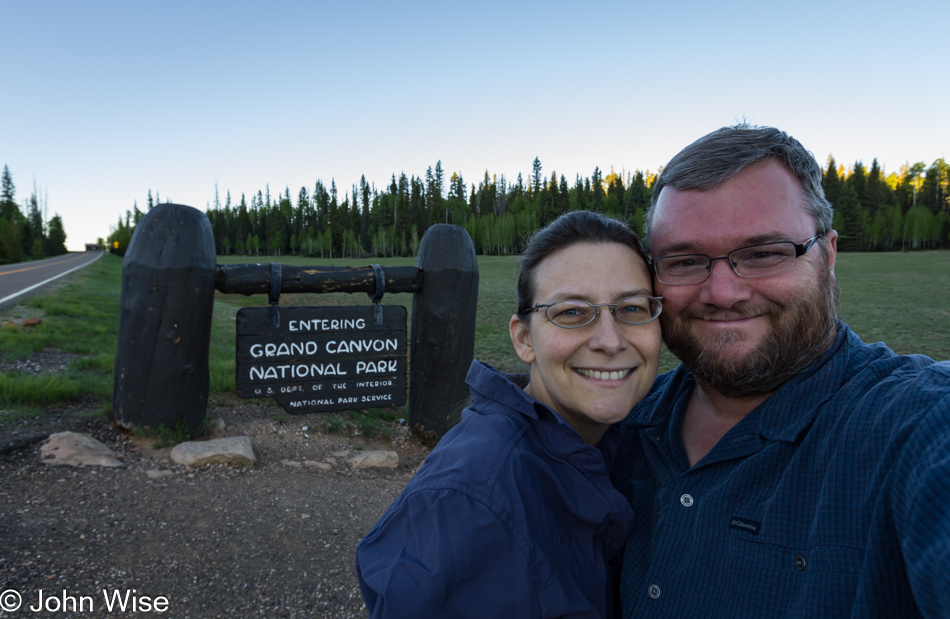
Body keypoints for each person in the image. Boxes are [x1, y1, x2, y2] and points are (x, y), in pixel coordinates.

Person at [611, 124, 950, 618]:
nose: (723, 293)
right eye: (685, 261)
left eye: (764, 254)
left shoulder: (914, 425)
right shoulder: (622, 423)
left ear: (828, 255)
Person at [356, 210, 663, 618]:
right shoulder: (468, 504)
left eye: (632, 308)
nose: (610, 340)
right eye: (571, 312)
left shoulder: (619, 438)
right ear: (524, 339)